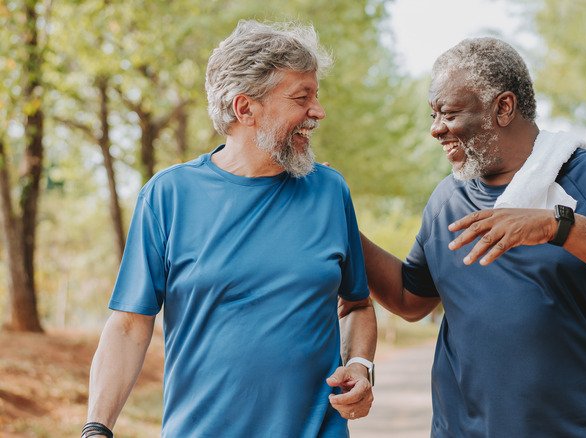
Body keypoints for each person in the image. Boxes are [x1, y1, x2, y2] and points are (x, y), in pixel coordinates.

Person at [352, 38, 586, 437]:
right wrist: (340, 219)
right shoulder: (446, 200)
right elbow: (410, 300)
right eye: (433, 114)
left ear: (503, 107)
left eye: (448, 113)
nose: (435, 129)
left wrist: (559, 226)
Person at [82, 21, 376, 438]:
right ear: (245, 109)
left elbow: (358, 305)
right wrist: (97, 427)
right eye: (301, 97)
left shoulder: (329, 190)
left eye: (316, 96)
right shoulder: (168, 196)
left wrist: (361, 366)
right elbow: (130, 325)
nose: (318, 111)